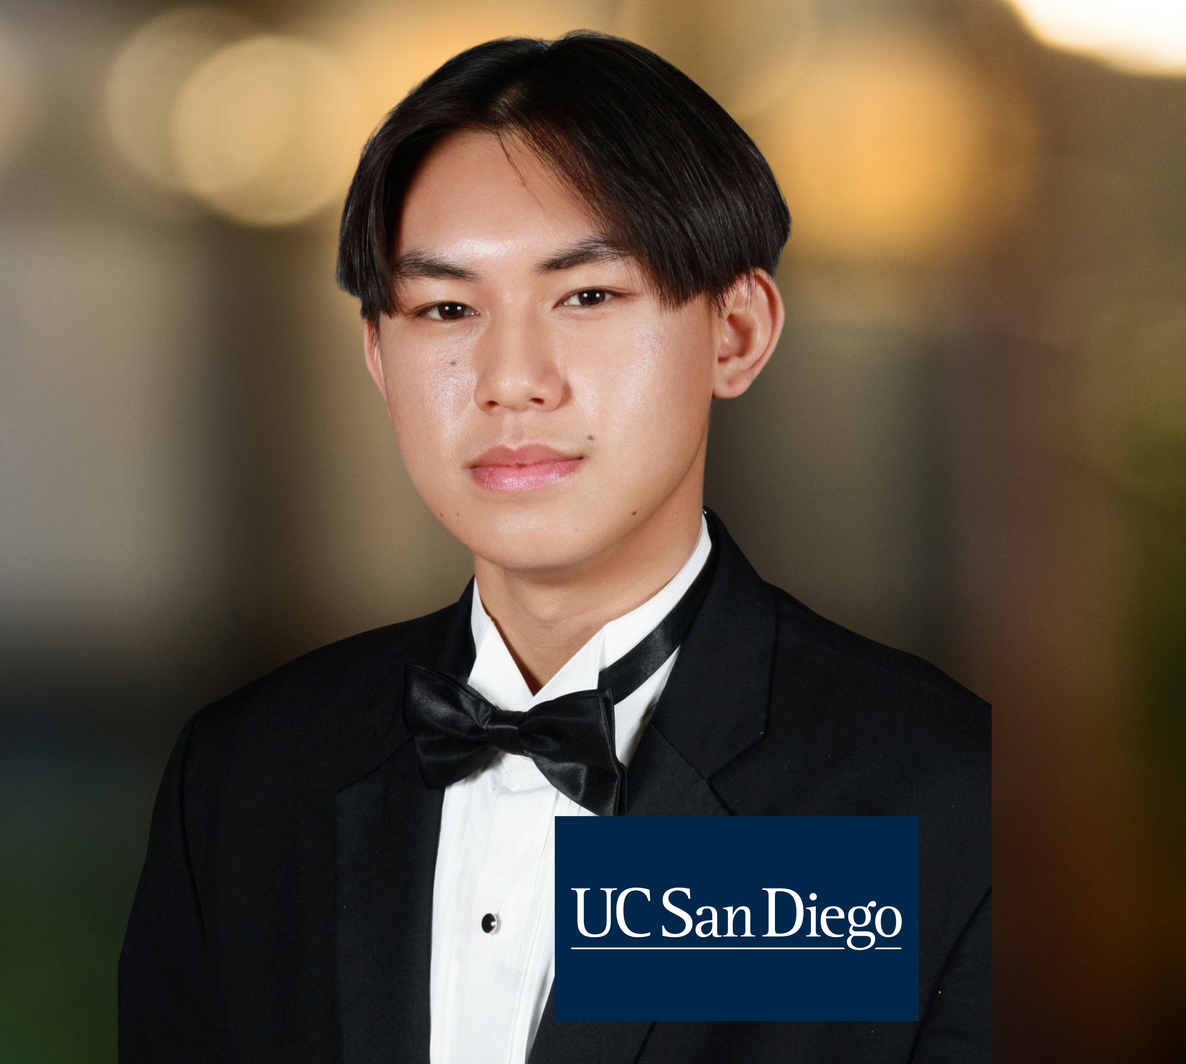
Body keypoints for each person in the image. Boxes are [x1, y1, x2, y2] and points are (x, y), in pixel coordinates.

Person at [116, 31, 988, 1064]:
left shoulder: (933, 790)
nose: (511, 378)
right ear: (378, 357)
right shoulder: (249, 778)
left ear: (735, 331)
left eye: (586, 295)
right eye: (446, 307)